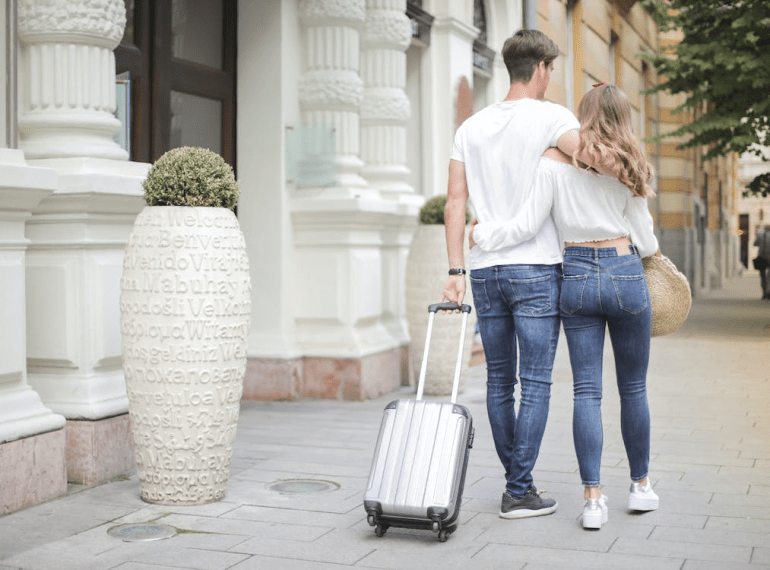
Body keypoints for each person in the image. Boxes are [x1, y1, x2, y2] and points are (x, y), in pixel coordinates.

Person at [471, 83, 661, 529]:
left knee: (586, 392)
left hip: (574, 275)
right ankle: (641, 487)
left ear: (582, 116)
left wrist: (483, 235)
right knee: (633, 388)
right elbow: (647, 240)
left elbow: (526, 225)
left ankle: (593, 502)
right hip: (624, 268)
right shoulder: (631, 166)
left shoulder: (553, 163)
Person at [443, 29, 593, 519]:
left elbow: (455, 203)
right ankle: (518, 490)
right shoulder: (554, 118)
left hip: (485, 269)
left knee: (498, 381)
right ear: (543, 67)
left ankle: (517, 482)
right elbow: (590, 157)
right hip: (535, 266)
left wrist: (454, 270)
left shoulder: (471, 127)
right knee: (535, 381)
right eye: (552, 69)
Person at [753, 225, 770, 299]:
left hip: (762, 257)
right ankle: (768, 291)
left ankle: (764, 293)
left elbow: (755, 244)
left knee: (762, 276)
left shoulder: (760, 235)